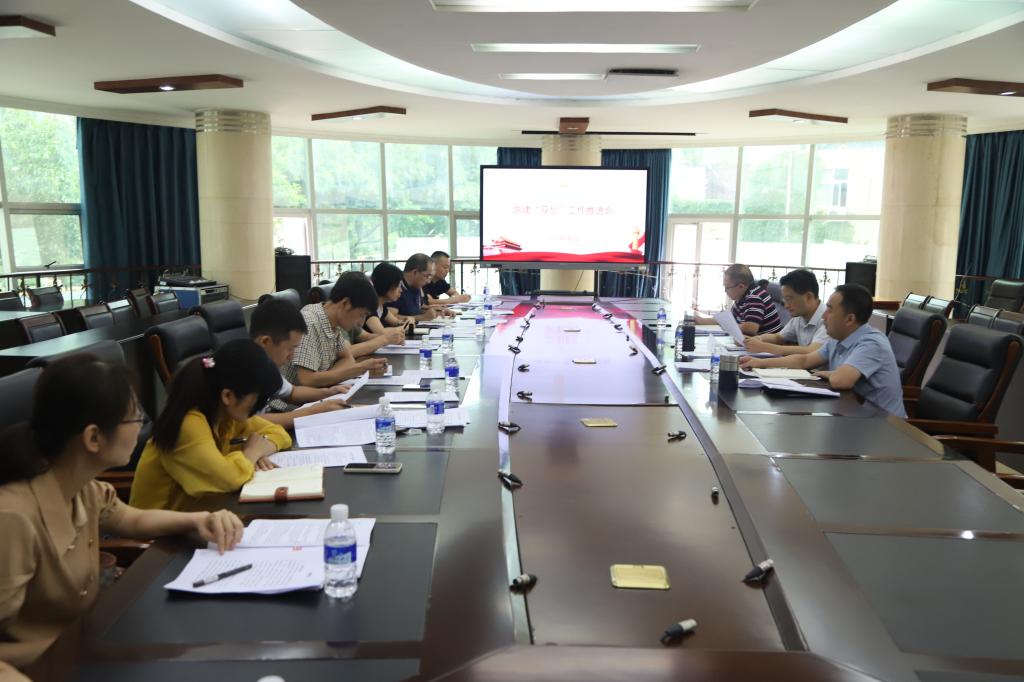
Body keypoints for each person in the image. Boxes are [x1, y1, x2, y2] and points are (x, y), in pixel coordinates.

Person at [0, 356, 244, 668]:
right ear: (93, 438)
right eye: (135, 416)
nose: (142, 424)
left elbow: (132, 518)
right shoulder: (13, 518)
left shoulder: (81, 487)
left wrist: (200, 519)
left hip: (87, 646)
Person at [129, 339, 293, 511]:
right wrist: (251, 453)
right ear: (228, 396)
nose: (258, 408)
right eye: (257, 400)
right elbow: (229, 479)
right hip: (162, 524)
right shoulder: (188, 424)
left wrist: (259, 448)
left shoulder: (225, 413)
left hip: (203, 514)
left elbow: (279, 433)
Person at [740, 283, 906, 417]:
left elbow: (840, 381)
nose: (823, 316)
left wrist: (830, 373)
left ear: (849, 319)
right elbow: (805, 360)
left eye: (830, 310)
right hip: (851, 413)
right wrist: (760, 363)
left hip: (884, 425)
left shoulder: (872, 343)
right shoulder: (838, 338)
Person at [250, 299, 352, 426]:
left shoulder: (266, 366)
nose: (292, 356)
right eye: (290, 349)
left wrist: (328, 392)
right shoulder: (242, 368)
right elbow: (250, 423)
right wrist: (312, 412)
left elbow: (292, 392)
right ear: (265, 342)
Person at [286, 271, 388, 388]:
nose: (361, 323)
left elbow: (348, 359)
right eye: (362, 315)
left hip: (321, 393)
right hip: (293, 399)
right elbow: (307, 380)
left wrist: (327, 378)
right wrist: (359, 370)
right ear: (346, 303)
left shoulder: (334, 323)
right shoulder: (309, 323)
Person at [744, 269, 830, 356]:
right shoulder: (799, 316)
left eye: (789, 299)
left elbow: (811, 351)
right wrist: (756, 339)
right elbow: (778, 337)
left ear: (808, 297)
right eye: (784, 300)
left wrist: (765, 347)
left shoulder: (827, 319)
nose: (786, 306)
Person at [695, 264, 782, 336]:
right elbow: (728, 319)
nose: (725, 291)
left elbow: (751, 328)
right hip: (755, 342)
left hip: (768, 346)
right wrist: (702, 320)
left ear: (741, 286)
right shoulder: (743, 295)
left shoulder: (754, 297)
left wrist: (725, 327)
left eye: (727, 287)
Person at [386, 253, 440, 322]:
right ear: (415, 272)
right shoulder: (396, 286)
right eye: (427, 276)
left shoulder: (416, 285)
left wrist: (438, 310)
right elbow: (391, 317)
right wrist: (422, 317)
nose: (428, 281)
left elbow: (418, 308)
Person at [366, 262, 414, 335]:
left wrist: (408, 320)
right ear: (387, 285)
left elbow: (396, 322)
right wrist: (405, 326)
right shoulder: (369, 307)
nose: (400, 290)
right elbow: (381, 332)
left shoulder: (381, 306)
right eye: (398, 286)